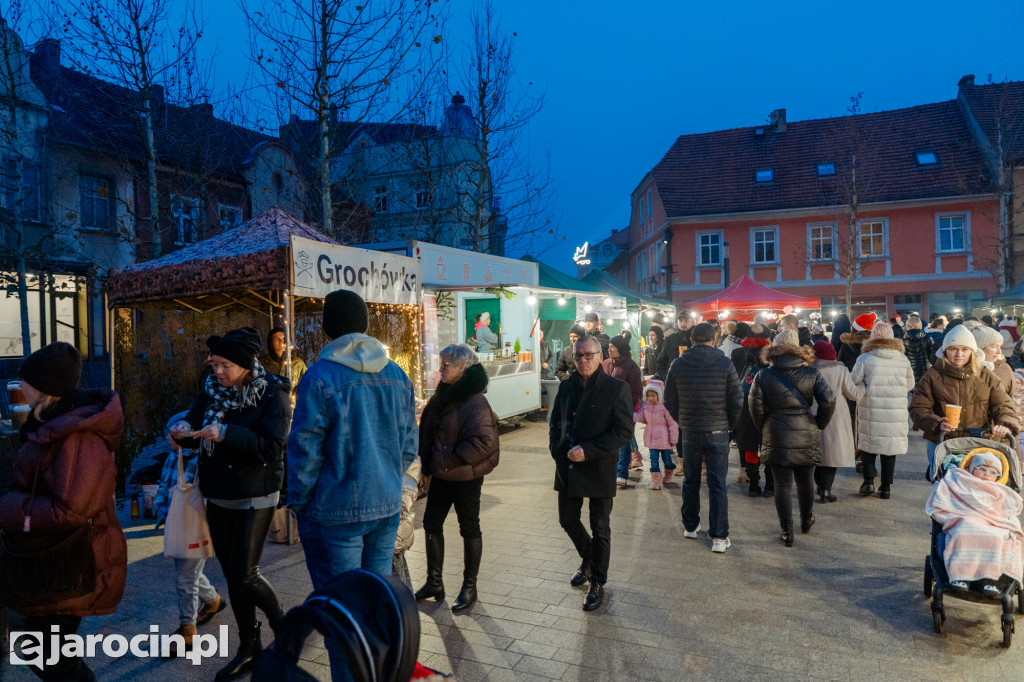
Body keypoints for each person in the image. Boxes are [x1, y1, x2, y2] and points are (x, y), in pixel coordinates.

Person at [0, 342, 127, 681]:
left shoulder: (78, 437)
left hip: (71, 564)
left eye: (25, 379)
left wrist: (9, 507)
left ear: (44, 388)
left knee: (51, 659)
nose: (19, 384)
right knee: (45, 654)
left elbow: (68, 510)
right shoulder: (54, 422)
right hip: (54, 561)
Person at [170, 327, 290, 681]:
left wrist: (225, 434)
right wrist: (182, 430)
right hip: (218, 491)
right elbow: (193, 424)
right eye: (215, 365)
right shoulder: (210, 391)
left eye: (224, 366)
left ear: (244, 364)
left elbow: (272, 447)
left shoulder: (272, 394)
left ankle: (284, 627)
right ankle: (249, 646)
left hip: (256, 493)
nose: (218, 373)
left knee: (245, 573)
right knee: (232, 576)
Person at [549, 335, 633, 611]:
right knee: (567, 519)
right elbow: (555, 422)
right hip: (569, 465)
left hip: (598, 465)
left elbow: (623, 431)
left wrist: (590, 449)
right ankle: (588, 558)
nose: (583, 360)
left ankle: (597, 581)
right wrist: (557, 449)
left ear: (600, 357)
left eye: (588, 355)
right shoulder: (567, 386)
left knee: (600, 526)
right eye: (578, 356)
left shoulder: (615, 388)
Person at [415, 345, 499, 613]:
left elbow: (484, 441)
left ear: (463, 368)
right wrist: (430, 464)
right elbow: (430, 430)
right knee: (431, 524)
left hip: (465, 477)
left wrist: (449, 458)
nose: (441, 369)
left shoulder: (475, 401)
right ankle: (434, 582)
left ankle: (469, 587)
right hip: (442, 475)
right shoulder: (445, 394)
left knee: (469, 528)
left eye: (446, 364)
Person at [748, 330, 836, 547]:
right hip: (805, 428)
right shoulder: (812, 373)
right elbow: (829, 400)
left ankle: (787, 531)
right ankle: (806, 520)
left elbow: (754, 405)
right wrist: (819, 423)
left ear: (775, 347)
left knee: (782, 484)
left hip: (776, 429)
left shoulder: (764, 374)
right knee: (805, 480)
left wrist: (765, 425)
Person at [664, 322, 744, 553]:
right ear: (714, 340)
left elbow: (669, 399)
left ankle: (690, 525)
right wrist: (731, 425)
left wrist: (683, 420)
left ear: (691, 340)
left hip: (690, 431)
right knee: (717, 484)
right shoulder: (725, 363)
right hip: (718, 431)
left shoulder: (678, 364)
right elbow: (737, 399)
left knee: (690, 480)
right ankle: (719, 538)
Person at [154, 417, 225, 656]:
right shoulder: (172, 458)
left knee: (185, 578)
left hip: (194, 526)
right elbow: (164, 486)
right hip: (178, 526)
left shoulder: (200, 461)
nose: (167, 438)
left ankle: (188, 628)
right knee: (189, 573)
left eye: (171, 435)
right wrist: (161, 511)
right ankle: (213, 600)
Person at [910, 324, 1020, 476]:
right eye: (953, 349)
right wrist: (936, 423)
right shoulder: (932, 376)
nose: (959, 354)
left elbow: (1004, 404)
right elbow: (918, 407)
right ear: (944, 351)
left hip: (980, 442)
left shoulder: (986, 375)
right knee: (946, 486)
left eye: (965, 349)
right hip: (943, 442)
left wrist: (1004, 424)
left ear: (973, 351)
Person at [925, 450, 1024, 594]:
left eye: (992, 472)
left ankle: (988, 578)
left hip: (993, 523)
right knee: (964, 532)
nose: (986, 474)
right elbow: (948, 498)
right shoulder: (960, 482)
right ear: (972, 470)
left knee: (996, 537)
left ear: (998, 476)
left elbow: (1008, 510)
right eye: (982, 469)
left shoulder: (1000, 490)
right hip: (965, 518)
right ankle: (961, 575)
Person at [850, 322, 915, 500]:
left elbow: (853, 380)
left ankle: (868, 481)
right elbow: (910, 384)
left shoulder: (865, 358)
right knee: (889, 449)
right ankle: (885, 487)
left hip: (871, 409)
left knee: (869, 446)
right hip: (895, 412)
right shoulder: (902, 358)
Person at [811, 341, 864, 502]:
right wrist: (862, 386)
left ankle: (819, 485)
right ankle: (826, 490)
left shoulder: (807, 370)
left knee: (815, 453)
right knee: (831, 454)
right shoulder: (841, 370)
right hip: (835, 415)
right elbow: (853, 394)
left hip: (812, 413)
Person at [731, 325, 774, 497]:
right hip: (768, 405)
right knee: (769, 445)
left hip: (745, 405)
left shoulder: (737, 354)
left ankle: (754, 484)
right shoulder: (772, 354)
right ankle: (770, 485)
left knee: (749, 445)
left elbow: (733, 381)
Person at [604, 335, 644, 485]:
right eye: (609, 346)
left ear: (620, 348)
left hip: (624, 410)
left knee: (623, 441)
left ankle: (622, 473)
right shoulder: (605, 364)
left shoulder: (631, 366)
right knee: (609, 441)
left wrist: (629, 408)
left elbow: (636, 390)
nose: (609, 349)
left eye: (612, 347)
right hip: (607, 410)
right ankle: (610, 471)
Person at [633, 381, 678, 490]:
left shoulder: (664, 408)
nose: (650, 398)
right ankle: (656, 480)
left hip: (665, 440)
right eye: (648, 396)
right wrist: (628, 414)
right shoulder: (645, 407)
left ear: (659, 395)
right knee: (654, 461)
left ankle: (669, 471)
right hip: (652, 439)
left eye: (653, 395)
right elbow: (639, 417)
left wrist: (674, 438)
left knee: (667, 460)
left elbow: (672, 424)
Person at [259, 326, 308, 394]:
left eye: (284, 339)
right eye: (277, 339)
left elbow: (307, 383)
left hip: (292, 403)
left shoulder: (297, 363)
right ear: (270, 342)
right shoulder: (261, 364)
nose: (281, 341)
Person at [974, 324, 1014, 396]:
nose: (999, 352)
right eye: (994, 347)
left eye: (1000, 346)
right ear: (979, 348)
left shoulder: (1004, 369)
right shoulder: (966, 368)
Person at [904, 315, 933, 385]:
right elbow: (931, 355)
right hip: (925, 369)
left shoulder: (903, 340)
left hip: (908, 370)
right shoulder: (927, 338)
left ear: (907, 325)